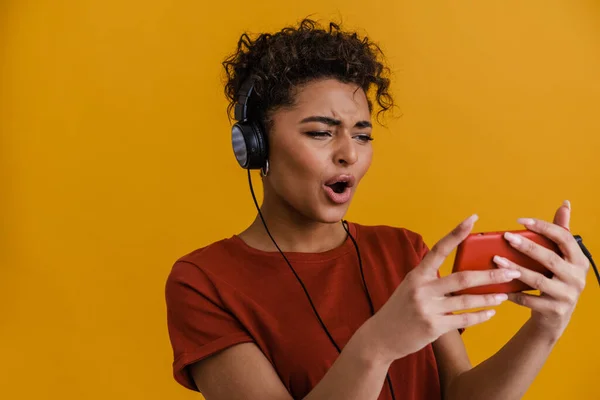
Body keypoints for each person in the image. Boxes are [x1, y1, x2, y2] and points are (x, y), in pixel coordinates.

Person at [164, 18, 590, 400]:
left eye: (363, 136)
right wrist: (379, 344)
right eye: (320, 133)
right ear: (255, 146)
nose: (349, 153)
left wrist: (546, 327)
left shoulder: (402, 250)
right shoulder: (203, 282)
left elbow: (462, 395)